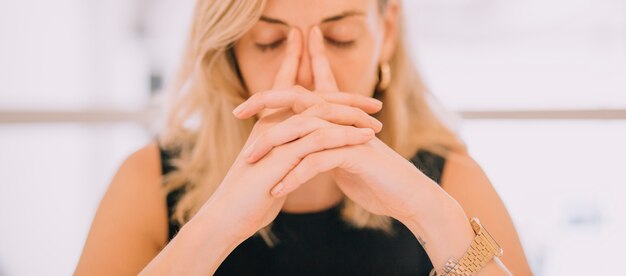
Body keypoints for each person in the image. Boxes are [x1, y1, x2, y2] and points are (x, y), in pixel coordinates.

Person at [75, 0, 533, 275]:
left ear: (386, 33)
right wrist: (215, 228)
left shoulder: (451, 178)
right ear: (229, 52)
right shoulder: (148, 181)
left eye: (340, 37)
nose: (311, 76)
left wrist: (428, 212)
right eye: (269, 43)